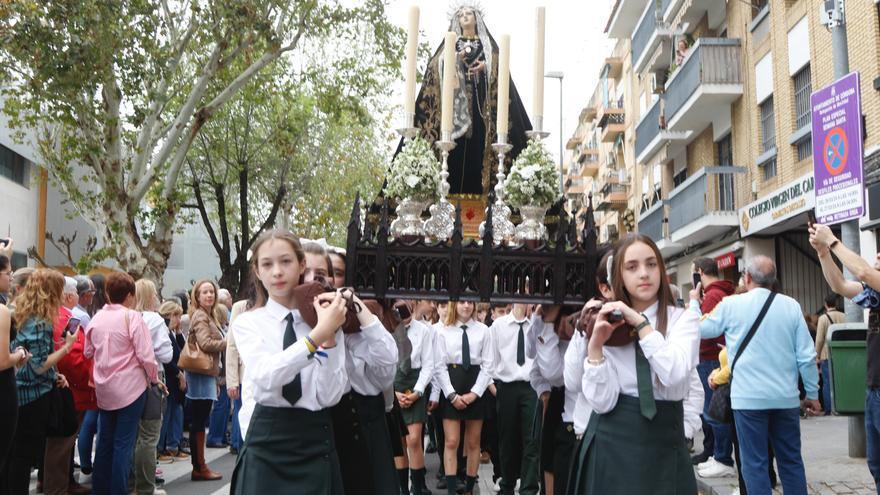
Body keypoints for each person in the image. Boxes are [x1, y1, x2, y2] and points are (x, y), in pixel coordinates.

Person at [572, 234, 700, 494]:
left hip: (665, 444)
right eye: (632, 267)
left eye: (651, 264)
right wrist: (595, 347)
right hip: (611, 444)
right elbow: (601, 402)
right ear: (619, 275)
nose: (644, 273)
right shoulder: (606, 320)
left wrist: (641, 324)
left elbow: (675, 373)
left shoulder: (682, 320)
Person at [229, 230, 355, 493]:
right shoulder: (247, 322)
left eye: (286, 261)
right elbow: (265, 376)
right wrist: (316, 337)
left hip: (314, 440)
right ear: (257, 270)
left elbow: (330, 395)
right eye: (267, 264)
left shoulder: (328, 317)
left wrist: (329, 337)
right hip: (266, 441)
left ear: (301, 265)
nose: (277, 272)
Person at [697, 255, 820, 494]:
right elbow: (806, 356)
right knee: (791, 461)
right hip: (785, 398)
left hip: (748, 400)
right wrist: (813, 394)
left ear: (748, 277)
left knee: (754, 464)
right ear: (773, 280)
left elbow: (701, 329)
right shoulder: (791, 306)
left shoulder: (732, 305)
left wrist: (694, 303)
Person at [393, 3, 531, 196]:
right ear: (457, 20)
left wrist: (486, 66)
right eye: (461, 15)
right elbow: (435, 66)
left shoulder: (488, 47)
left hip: (481, 109)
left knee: (480, 148)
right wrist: (450, 60)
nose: (465, 17)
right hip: (454, 112)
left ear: (476, 18)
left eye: (469, 14)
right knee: (453, 151)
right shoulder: (451, 44)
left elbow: (501, 71)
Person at [301, 241, 400, 495]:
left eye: (328, 275)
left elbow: (387, 369)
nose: (317, 282)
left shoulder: (361, 324)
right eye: (309, 274)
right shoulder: (298, 325)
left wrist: (355, 305)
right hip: (325, 430)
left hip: (368, 424)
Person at [809, 222, 880, 490]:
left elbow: (862, 270)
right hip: (873, 390)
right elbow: (839, 285)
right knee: (876, 466)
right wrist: (823, 253)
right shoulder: (875, 295)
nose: (878, 257)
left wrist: (834, 242)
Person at [84, 272, 162, 495]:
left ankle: (100, 490)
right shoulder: (133, 317)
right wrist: (154, 378)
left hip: (104, 388)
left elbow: (89, 351)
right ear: (130, 295)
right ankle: (119, 491)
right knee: (124, 444)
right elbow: (147, 356)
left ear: (107, 293)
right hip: (131, 388)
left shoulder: (97, 317)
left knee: (105, 442)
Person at [5, 269, 77, 495]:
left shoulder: (18, 312)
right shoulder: (40, 321)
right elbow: (39, 365)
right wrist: (67, 346)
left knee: (13, 456)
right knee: (24, 457)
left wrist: (54, 372)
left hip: (17, 391)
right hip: (34, 396)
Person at [436, 300, 493, 495]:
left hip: (475, 387)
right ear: (454, 304)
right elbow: (439, 366)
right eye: (462, 302)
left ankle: (469, 489)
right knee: (451, 441)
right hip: (451, 385)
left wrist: (474, 394)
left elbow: (488, 365)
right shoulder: (444, 331)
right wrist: (451, 395)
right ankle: (452, 490)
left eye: (470, 302)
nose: (466, 306)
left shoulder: (484, 330)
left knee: (473, 442)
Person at [43, 277, 92, 495]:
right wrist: (87, 379)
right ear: (67, 295)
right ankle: (57, 488)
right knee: (61, 443)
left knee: (61, 443)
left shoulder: (61, 315)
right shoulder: (65, 317)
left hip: (66, 384)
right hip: (70, 387)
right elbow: (71, 357)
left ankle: (62, 483)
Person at [688, 257, 736, 476]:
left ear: (699, 272)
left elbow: (702, 328)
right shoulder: (720, 293)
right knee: (714, 411)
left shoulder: (713, 295)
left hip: (710, 358)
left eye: (693, 273)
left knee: (714, 411)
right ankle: (717, 453)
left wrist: (694, 303)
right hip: (714, 356)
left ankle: (721, 456)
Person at [486, 303, 539, 495]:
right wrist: (494, 387)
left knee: (531, 440)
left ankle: (529, 488)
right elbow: (490, 359)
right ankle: (506, 484)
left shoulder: (536, 324)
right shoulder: (498, 326)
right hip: (506, 386)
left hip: (531, 387)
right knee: (507, 438)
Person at [131, 279, 173, 495]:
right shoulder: (154, 319)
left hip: (126, 382)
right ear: (149, 296)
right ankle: (146, 487)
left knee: (131, 436)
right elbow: (166, 353)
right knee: (148, 437)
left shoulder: (127, 316)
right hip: (152, 379)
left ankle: (130, 484)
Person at [184, 279, 226, 481]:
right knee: (199, 420)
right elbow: (206, 343)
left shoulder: (207, 315)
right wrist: (227, 343)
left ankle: (199, 466)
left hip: (204, 373)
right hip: (200, 373)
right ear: (197, 296)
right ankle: (199, 467)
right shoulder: (201, 316)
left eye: (211, 291)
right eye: (205, 292)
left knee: (199, 420)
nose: (209, 295)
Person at [393, 300, 435, 495]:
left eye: (408, 320)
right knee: (399, 441)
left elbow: (428, 364)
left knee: (414, 439)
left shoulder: (424, 331)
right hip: (394, 383)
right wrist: (393, 391)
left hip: (415, 381)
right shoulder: (387, 328)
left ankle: (417, 488)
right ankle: (403, 489)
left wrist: (419, 391)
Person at [0, 255, 30, 488]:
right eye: (7, 273)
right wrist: (19, 354)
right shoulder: (2, 311)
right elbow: (2, 361)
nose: (10, 277)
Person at [157, 301, 188, 462]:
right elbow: (169, 359)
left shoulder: (172, 333)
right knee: (167, 414)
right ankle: (162, 447)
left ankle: (173, 445)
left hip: (175, 379)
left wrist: (178, 333)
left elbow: (182, 351)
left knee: (175, 412)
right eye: (176, 315)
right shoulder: (164, 333)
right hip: (170, 378)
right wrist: (179, 375)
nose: (178, 319)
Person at [815, 293, 845, 415]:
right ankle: (842, 407)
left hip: (827, 355)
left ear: (825, 304)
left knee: (827, 383)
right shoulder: (844, 316)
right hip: (842, 355)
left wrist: (816, 355)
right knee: (841, 381)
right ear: (836, 304)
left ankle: (829, 409)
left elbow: (820, 339)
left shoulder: (823, 318)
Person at [206, 304, 231, 449]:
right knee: (220, 406)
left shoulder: (221, 328)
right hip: (220, 373)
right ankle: (215, 436)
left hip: (223, 372)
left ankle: (220, 436)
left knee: (224, 405)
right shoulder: (216, 329)